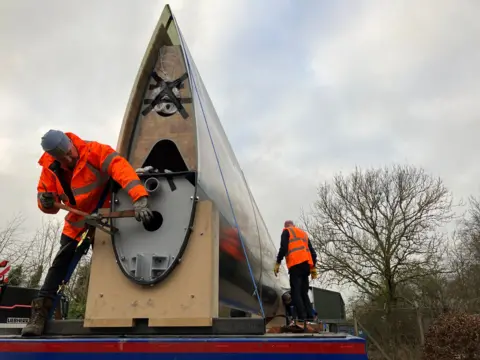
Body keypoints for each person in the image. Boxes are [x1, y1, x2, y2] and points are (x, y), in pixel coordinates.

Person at [21, 130, 154, 336]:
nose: (68, 159)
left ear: (72, 144)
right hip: (78, 221)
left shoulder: (94, 151)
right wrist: (45, 202)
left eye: (69, 153)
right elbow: (47, 200)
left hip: (106, 214)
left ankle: (120, 312)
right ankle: (38, 317)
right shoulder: (50, 167)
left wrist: (139, 198)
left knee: (113, 262)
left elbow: (121, 168)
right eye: (62, 158)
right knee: (60, 264)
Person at [274, 220, 317, 321]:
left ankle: (302, 318)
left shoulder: (286, 232)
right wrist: (313, 268)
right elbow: (313, 253)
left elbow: (283, 248)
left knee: (296, 292)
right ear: (293, 225)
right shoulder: (303, 234)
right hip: (306, 265)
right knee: (303, 292)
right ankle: (310, 316)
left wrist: (278, 262)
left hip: (295, 265)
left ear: (285, 226)